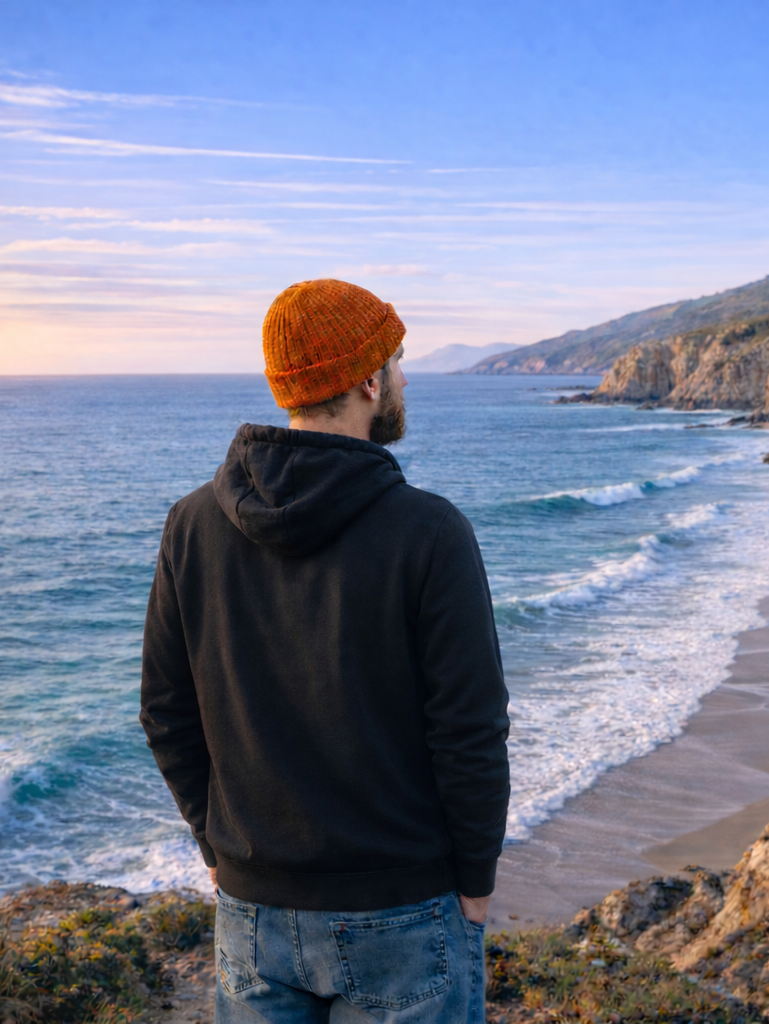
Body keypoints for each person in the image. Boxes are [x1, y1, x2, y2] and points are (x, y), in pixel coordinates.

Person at [140, 279, 510, 1023]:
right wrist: (476, 875)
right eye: (398, 361)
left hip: (252, 908)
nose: (405, 378)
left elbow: (165, 710)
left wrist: (217, 846)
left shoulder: (192, 524)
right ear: (369, 381)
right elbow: (469, 729)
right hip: (401, 907)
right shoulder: (429, 532)